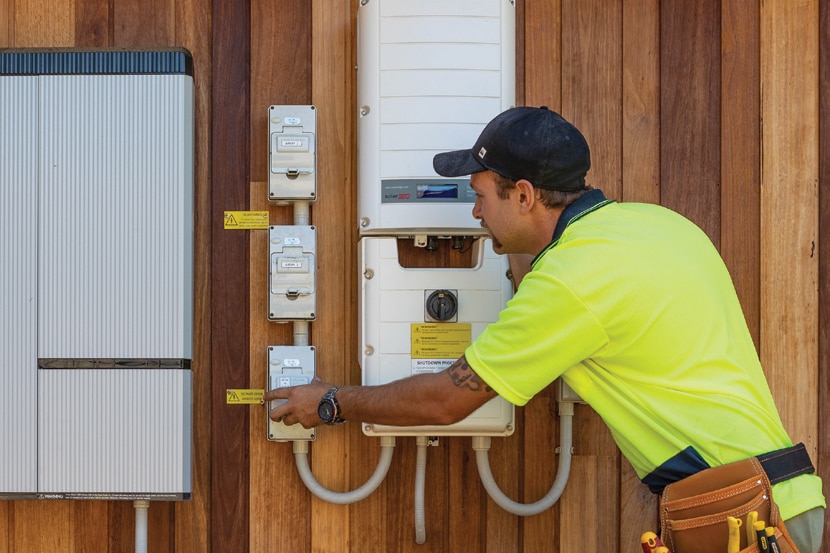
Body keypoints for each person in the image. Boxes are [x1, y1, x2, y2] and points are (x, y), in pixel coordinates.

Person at [266, 106, 825, 552]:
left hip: (740, 520)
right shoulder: (656, 225)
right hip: (783, 499)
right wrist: (522, 254)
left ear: (525, 194)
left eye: (481, 196)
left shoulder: (569, 281)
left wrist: (332, 403)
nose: (476, 215)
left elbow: (444, 402)